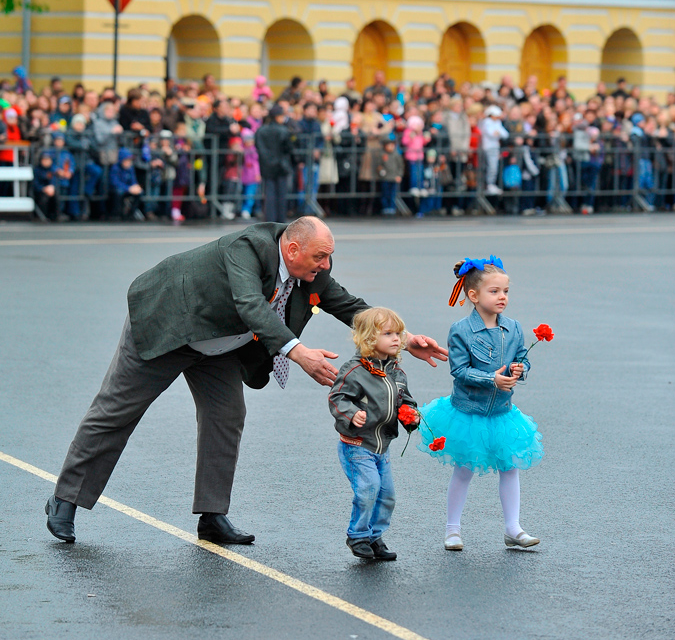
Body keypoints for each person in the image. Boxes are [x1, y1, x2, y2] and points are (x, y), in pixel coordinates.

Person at [45, 217, 447, 545]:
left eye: (329, 257)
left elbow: (351, 306)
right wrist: (298, 352)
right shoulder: (248, 247)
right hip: (169, 323)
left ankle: (212, 515)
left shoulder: (314, 270)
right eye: (320, 256)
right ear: (292, 250)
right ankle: (65, 500)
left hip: (219, 344)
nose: (325, 265)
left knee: (227, 415)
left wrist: (407, 340)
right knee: (117, 411)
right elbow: (250, 304)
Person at [418, 256, 543, 551]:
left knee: (510, 467)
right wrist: (492, 379)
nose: (502, 297)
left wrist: (519, 370)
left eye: (506, 291)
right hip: (468, 412)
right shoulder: (461, 330)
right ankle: (452, 530)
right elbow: (459, 371)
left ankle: (513, 528)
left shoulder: (513, 328)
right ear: (473, 296)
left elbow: (522, 357)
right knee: (464, 469)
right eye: (495, 291)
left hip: (502, 413)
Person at [328, 307, 419, 561]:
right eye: (388, 333)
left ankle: (375, 536)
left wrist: (411, 416)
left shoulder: (397, 372)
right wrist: (351, 414)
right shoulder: (355, 370)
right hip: (357, 443)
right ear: (368, 338)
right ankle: (357, 536)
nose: (396, 339)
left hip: (383, 446)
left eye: (398, 333)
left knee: (387, 494)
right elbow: (338, 397)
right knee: (369, 488)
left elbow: (406, 401)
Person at [255, 104, 294, 222]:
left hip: (267, 166)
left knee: (269, 194)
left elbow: (259, 148)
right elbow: (289, 148)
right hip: (281, 166)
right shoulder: (284, 130)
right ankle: (281, 220)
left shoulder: (261, 130)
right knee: (281, 195)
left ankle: (270, 219)